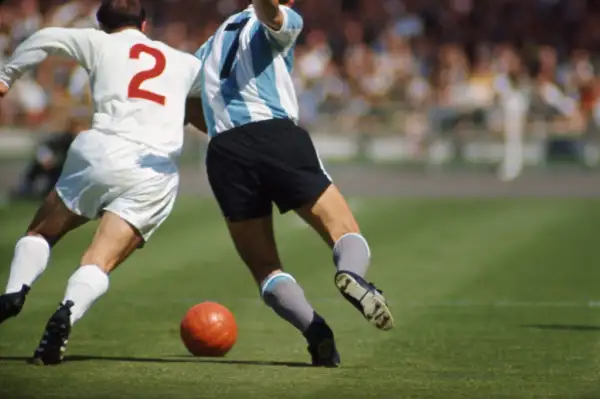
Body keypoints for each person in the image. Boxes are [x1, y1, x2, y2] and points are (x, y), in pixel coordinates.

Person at [191, 0, 394, 368]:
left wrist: (228, 136)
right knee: (343, 228)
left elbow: (190, 104)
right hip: (275, 135)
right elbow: (272, 16)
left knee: (265, 268)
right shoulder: (283, 19)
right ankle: (351, 275)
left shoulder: (211, 42)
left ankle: (317, 335)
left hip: (223, 152)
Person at [0, 0, 203, 365]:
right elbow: (213, 103)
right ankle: (67, 312)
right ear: (144, 26)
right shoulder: (185, 61)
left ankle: (14, 293)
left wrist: (6, 77)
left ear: (101, 24)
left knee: (41, 234)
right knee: (100, 259)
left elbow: (45, 37)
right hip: (153, 169)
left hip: (99, 151)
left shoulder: (99, 42)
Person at [10, 115, 88, 201]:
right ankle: (26, 188)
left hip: (70, 173)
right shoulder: (64, 138)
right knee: (37, 167)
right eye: (78, 127)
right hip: (57, 168)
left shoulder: (86, 142)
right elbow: (46, 149)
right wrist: (47, 159)